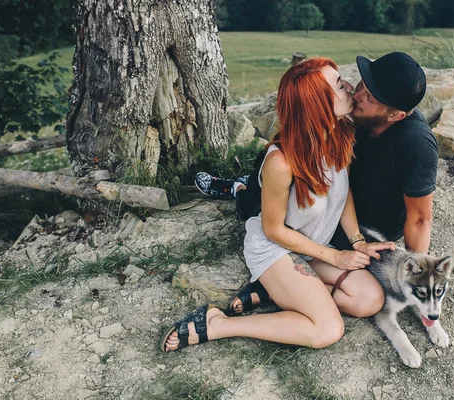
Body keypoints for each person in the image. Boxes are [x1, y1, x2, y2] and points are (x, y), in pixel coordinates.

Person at [161, 58, 395, 353]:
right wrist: (336, 258)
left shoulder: (339, 133)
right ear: (317, 104)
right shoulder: (280, 162)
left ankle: (275, 291)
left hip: (309, 248)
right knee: (328, 329)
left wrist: (357, 242)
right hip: (277, 248)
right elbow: (273, 230)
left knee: (370, 299)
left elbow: (342, 193)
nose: (350, 87)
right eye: (339, 84)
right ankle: (218, 323)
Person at [196, 52, 438, 314]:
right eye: (361, 85)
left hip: (340, 216)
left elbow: (420, 219)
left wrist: (414, 275)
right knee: (263, 190)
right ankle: (240, 189)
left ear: (395, 116)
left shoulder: (414, 143)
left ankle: (278, 289)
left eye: (369, 97)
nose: (356, 95)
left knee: (368, 298)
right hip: (306, 210)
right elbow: (275, 222)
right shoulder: (349, 117)